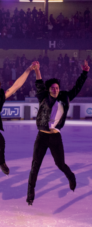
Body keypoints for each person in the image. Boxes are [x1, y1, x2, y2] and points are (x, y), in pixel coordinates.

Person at [26, 61, 90, 206]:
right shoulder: (43, 96)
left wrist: (85, 73)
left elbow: (77, 87)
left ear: (59, 89)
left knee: (60, 164)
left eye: (57, 88)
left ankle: (71, 177)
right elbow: (39, 83)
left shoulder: (65, 97)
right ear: (49, 90)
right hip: (42, 136)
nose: (55, 90)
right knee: (35, 166)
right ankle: (30, 194)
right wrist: (37, 70)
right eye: (52, 88)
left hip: (55, 137)